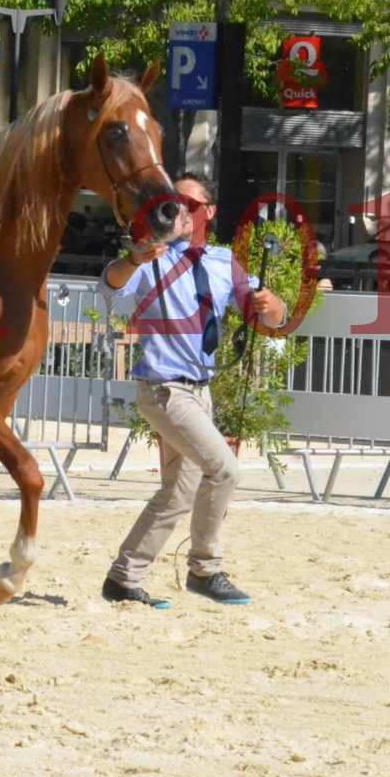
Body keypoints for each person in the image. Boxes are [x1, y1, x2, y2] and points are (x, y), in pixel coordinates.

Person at [100, 172, 288, 607]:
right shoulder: (153, 256)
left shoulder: (224, 262)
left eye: (191, 205)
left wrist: (273, 308)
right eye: (173, 203)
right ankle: (205, 569)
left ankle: (123, 578)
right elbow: (112, 283)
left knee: (178, 492)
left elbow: (269, 316)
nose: (180, 211)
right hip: (165, 389)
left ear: (210, 212)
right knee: (225, 470)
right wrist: (136, 257)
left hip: (199, 391)